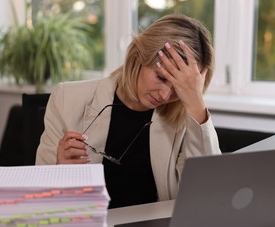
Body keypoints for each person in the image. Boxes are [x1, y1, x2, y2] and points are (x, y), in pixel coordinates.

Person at [36, 14, 221, 208]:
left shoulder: (187, 116)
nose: (165, 96)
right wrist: (60, 170)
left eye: (178, 87)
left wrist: (195, 102)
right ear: (138, 57)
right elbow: (40, 196)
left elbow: (206, 193)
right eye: (161, 77)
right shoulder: (67, 98)